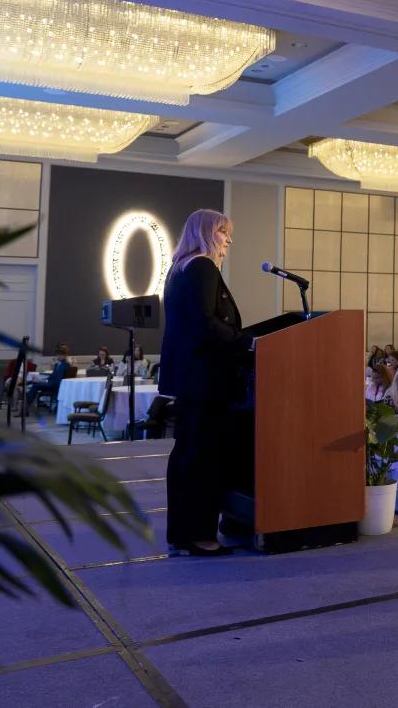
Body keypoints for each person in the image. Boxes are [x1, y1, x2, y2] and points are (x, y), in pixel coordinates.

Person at [159, 209, 251, 557]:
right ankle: (199, 535)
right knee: (203, 460)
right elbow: (205, 323)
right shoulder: (202, 266)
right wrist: (247, 342)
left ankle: (181, 534)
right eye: (223, 232)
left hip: (189, 380)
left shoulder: (180, 270)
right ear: (203, 232)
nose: (228, 239)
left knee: (187, 455)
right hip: (206, 380)